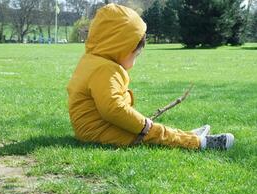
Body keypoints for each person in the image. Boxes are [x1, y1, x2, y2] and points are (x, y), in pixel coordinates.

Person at [67, 4, 234, 150]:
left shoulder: (91, 60)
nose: (135, 61)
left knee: (151, 130)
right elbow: (113, 109)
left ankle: (188, 135)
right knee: (152, 133)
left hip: (92, 129)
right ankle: (200, 143)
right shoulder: (105, 69)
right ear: (120, 48)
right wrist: (143, 124)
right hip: (100, 131)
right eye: (135, 55)